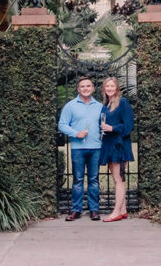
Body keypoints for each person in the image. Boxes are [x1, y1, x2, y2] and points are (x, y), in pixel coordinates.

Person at [57, 76, 103, 221]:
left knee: (94, 180)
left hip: (96, 147)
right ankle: (76, 210)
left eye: (88, 86)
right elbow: (62, 125)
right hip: (78, 148)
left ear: (93, 88)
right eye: (82, 86)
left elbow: (104, 124)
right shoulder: (70, 106)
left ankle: (94, 210)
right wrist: (76, 133)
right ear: (78, 89)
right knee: (77, 180)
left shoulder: (100, 106)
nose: (85, 88)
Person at [99, 76, 134, 222]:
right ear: (104, 89)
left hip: (119, 145)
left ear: (117, 88)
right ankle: (123, 210)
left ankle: (116, 212)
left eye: (112, 86)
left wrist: (112, 128)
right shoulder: (106, 105)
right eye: (107, 86)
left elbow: (129, 126)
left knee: (119, 179)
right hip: (108, 144)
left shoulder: (123, 102)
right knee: (115, 178)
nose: (109, 89)